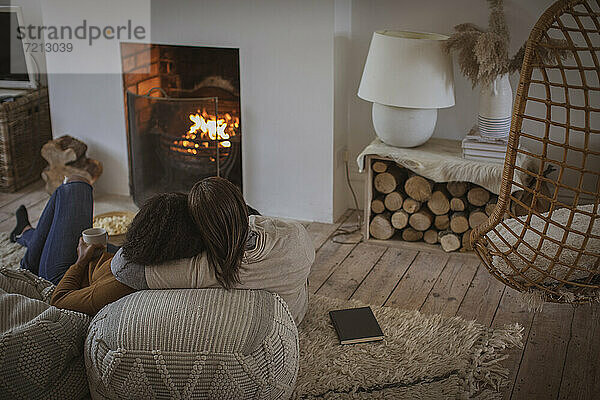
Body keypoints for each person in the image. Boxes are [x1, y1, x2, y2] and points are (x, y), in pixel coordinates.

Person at [112, 177, 315, 325]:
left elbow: (121, 267)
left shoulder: (204, 269)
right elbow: (257, 222)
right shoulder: (297, 235)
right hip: (295, 317)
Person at [11, 176, 204, 315]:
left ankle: (29, 265)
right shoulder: (186, 261)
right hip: (103, 262)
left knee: (75, 186)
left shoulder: (118, 284)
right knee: (62, 231)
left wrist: (80, 260)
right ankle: (27, 233)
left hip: (64, 277)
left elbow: (58, 300)